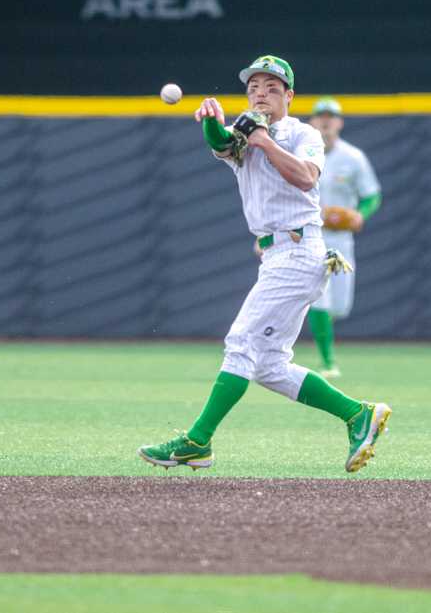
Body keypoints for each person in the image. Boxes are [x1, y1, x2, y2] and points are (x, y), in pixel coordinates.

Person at [138, 55, 391, 473]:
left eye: (272, 87)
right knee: (269, 364)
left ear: (289, 96)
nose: (261, 93)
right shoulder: (243, 132)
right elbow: (222, 145)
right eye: (254, 86)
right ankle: (358, 415)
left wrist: (264, 139)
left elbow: (308, 178)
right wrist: (210, 120)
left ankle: (197, 441)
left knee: (240, 344)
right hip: (276, 254)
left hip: (299, 249)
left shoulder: (301, 133)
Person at [307, 97, 382, 378]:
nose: (326, 121)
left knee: (339, 307)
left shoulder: (353, 157)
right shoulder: (302, 152)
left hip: (341, 238)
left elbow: (372, 194)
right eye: (320, 116)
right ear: (312, 121)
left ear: (339, 122)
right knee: (320, 301)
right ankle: (328, 362)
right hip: (310, 237)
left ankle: (320, 332)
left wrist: (361, 214)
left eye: (331, 116)